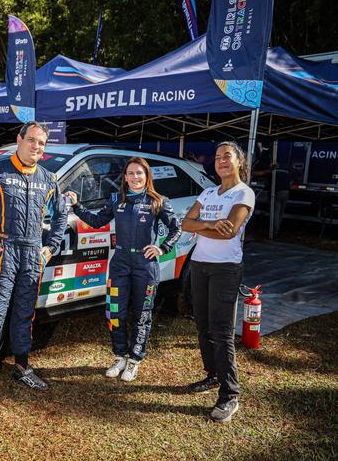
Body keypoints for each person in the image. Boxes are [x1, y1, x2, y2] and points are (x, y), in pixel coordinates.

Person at [0, 121, 67, 409]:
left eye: (41, 143)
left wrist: (50, 248)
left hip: (32, 253)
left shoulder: (49, 178)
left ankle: (22, 366)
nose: (36, 146)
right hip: (3, 252)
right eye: (31, 140)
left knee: (24, 313)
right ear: (19, 139)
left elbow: (61, 216)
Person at [65, 157, 181, 382]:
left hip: (145, 267)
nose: (135, 177)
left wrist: (162, 247)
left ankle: (135, 359)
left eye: (140, 173)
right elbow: (97, 221)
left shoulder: (158, 201)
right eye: (131, 173)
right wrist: (77, 206)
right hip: (119, 264)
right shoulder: (116, 199)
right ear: (125, 177)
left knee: (142, 315)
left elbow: (177, 227)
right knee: (114, 313)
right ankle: (120, 356)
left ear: (147, 176)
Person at [181, 141, 255, 423]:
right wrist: (212, 224)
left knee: (222, 332)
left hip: (225, 269)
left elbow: (230, 232)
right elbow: (186, 224)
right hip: (199, 266)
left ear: (239, 161)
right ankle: (213, 375)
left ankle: (230, 395)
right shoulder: (209, 191)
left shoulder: (243, 193)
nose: (221, 161)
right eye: (217, 157)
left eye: (227, 156)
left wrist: (204, 225)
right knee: (203, 326)